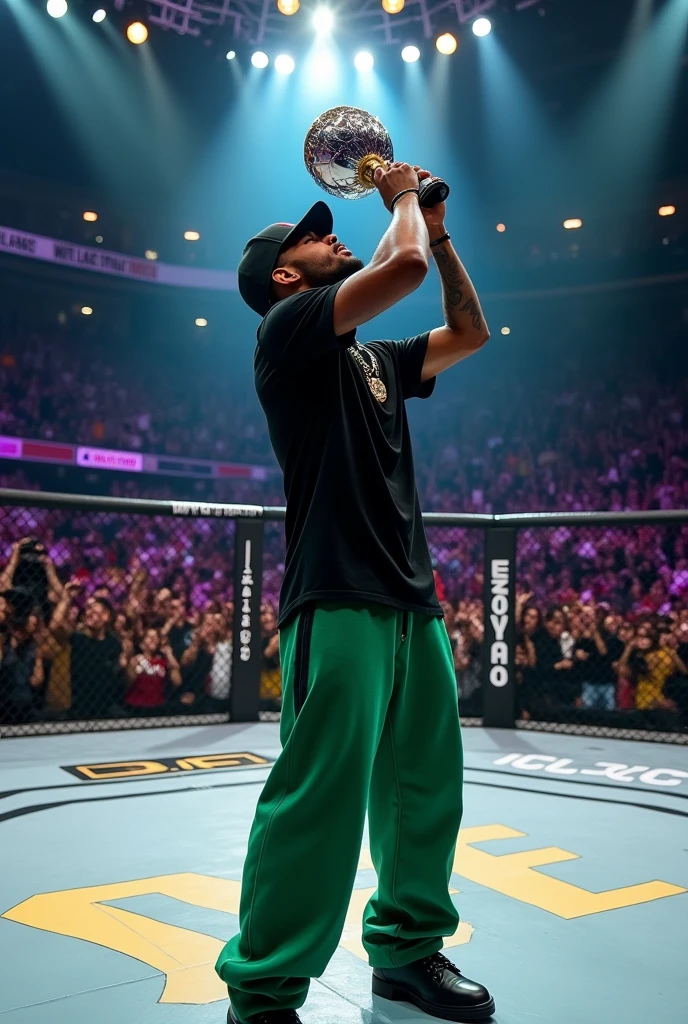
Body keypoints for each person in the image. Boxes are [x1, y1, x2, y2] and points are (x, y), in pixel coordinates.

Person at [216, 162, 493, 1024]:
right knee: (320, 792)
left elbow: (468, 330)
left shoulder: (372, 358)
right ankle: (262, 989)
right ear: (286, 275)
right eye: (310, 234)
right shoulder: (288, 330)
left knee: (425, 785)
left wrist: (438, 234)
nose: (328, 232)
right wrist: (403, 197)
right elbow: (395, 269)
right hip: (333, 593)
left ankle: (408, 953)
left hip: (411, 595)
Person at [125, 627, 182, 713]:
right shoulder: (136, 660)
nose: (153, 639)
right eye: (149, 637)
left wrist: (169, 654)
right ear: (142, 644)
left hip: (158, 705)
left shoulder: (164, 661)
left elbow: (177, 682)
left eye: (155, 637)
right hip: (136, 706)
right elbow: (129, 681)